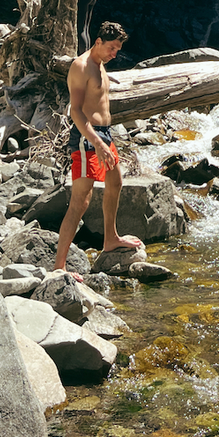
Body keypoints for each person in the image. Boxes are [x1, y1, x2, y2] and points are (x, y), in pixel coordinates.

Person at [54, 20, 145, 272]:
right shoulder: (81, 67)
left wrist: (105, 141)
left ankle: (110, 239)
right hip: (87, 139)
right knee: (80, 201)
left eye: (118, 50)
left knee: (115, 182)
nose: (114, 54)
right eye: (111, 48)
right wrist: (97, 143)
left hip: (105, 135)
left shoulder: (101, 64)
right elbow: (76, 112)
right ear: (98, 42)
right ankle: (59, 266)